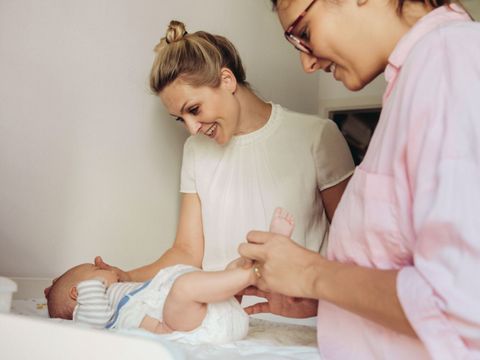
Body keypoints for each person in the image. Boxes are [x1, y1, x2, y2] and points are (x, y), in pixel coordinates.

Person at [239, 0, 480, 358]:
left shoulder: (449, 60)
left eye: (303, 33)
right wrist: (328, 300)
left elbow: (462, 301)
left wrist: (312, 273)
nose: (307, 63)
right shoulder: (419, 77)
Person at [90, 19, 355, 318]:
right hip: (222, 323)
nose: (191, 128)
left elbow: (356, 249)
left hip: (304, 321)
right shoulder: (195, 152)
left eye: (193, 110)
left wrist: (316, 303)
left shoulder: (317, 136)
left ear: (227, 80)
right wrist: (124, 277)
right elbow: (187, 253)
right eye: (181, 119)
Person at [46, 208, 295, 344]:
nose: (108, 269)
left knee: (224, 273)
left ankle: (261, 255)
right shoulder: (89, 311)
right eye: (98, 270)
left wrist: (106, 277)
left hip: (214, 315)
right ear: (78, 292)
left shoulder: (119, 293)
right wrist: (94, 284)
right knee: (185, 288)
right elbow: (93, 324)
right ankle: (255, 272)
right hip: (181, 327)